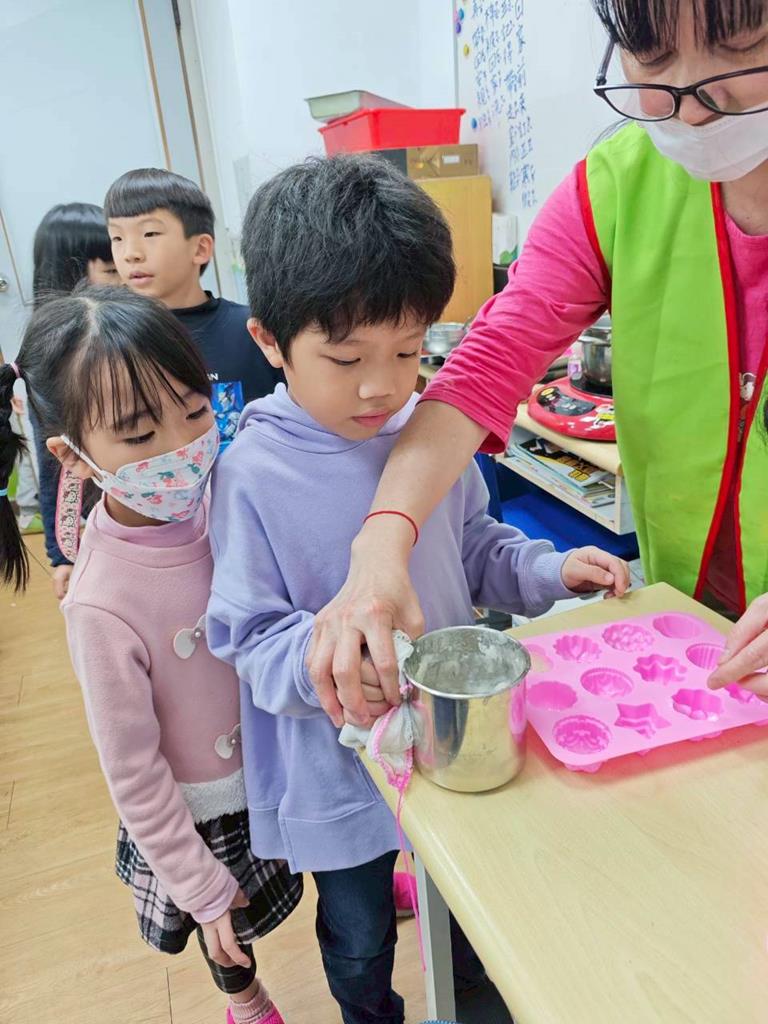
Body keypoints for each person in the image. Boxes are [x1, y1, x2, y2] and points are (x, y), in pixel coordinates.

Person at [205, 154, 629, 1024]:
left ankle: (472, 999)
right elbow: (247, 635)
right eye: (346, 357)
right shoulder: (250, 474)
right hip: (336, 770)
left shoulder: (429, 431)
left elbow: (475, 549)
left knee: (470, 906)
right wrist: (327, 660)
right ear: (270, 341)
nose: (382, 385)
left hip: (456, 745)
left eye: (408, 350)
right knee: (360, 935)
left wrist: (551, 571)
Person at [306, 0, 768, 718]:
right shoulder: (619, 184)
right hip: (689, 611)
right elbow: (486, 365)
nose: (692, 103)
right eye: (653, 60)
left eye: (738, 47)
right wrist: (382, 541)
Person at [0, 289, 302, 1024]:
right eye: (138, 435)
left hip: (279, 756)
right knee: (226, 926)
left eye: (195, 412)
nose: (178, 448)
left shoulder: (225, 496)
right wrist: (196, 883)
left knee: (315, 857)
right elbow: (132, 769)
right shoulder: (101, 601)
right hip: (202, 809)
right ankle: (247, 1002)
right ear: (72, 455)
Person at [104, 168, 284, 452]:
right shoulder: (110, 341)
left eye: (149, 233)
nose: (130, 253)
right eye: (117, 238)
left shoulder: (252, 330)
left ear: (200, 248)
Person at [27, 202, 120, 599]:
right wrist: (60, 553)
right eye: (112, 270)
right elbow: (52, 465)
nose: (126, 278)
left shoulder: (125, 325)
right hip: (105, 511)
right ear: (72, 274)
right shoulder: (52, 352)